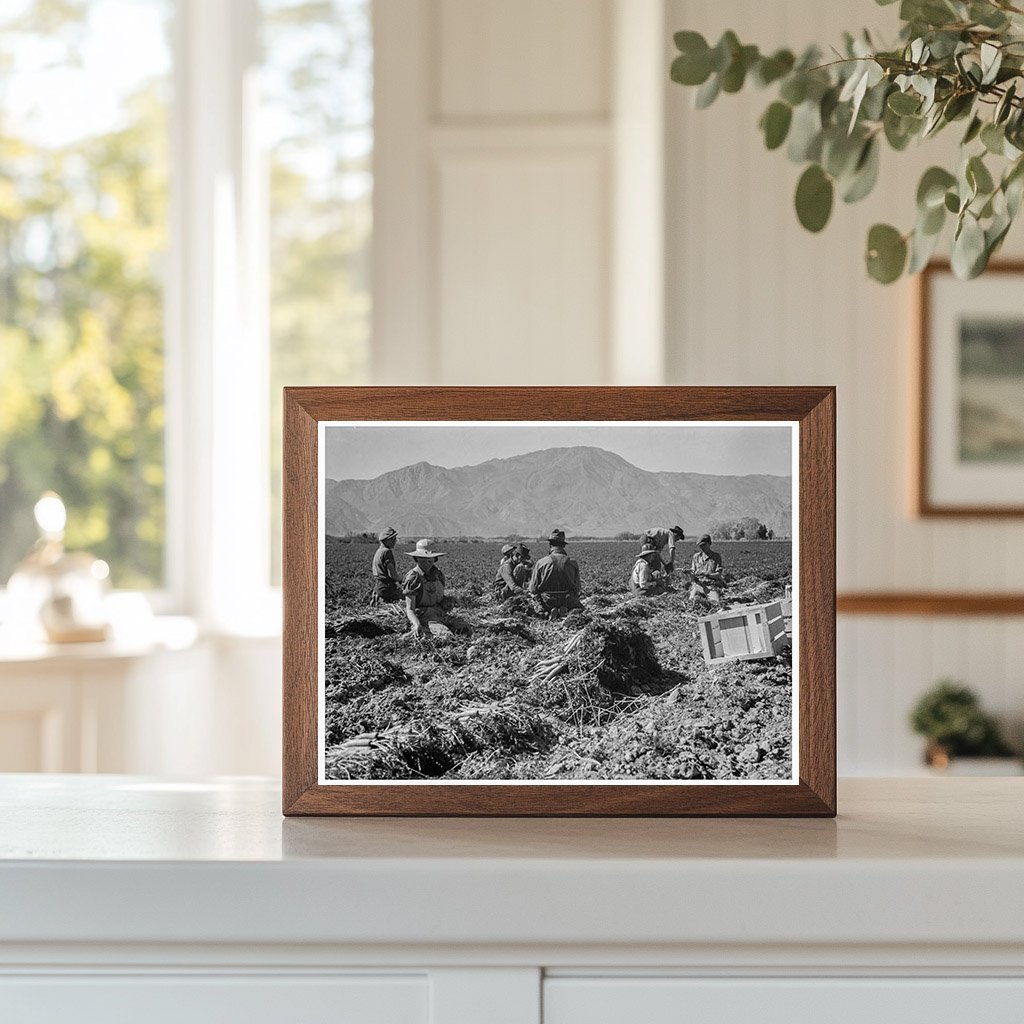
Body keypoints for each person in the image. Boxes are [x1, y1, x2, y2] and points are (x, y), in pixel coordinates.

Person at [528, 528, 582, 619]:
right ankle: (565, 610)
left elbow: (533, 588)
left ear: (550, 545)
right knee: (580, 610)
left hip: (547, 601)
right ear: (563, 546)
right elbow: (578, 588)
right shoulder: (573, 563)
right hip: (567, 600)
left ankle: (547, 613)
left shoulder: (541, 563)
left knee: (533, 605)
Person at [402, 539, 449, 637]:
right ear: (416, 559)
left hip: (439, 613)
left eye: (429, 560)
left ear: (435, 559)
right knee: (446, 636)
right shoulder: (413, 578)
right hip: (424, 617)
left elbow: (440, 597)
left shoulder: (438, 575)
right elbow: (410, 609)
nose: (427, 563)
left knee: (465, 629)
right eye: (423, 560)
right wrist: (416, 624)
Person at [689, 533, 725, 604]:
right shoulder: (696, 557)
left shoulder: (716, 557)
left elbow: (718, 574)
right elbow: (693, 572)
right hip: (698, 585)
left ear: (710, 543)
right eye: (700, 546)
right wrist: (688, 572)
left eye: (704, 545)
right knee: (692, 602)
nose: (702, 547)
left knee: (716, 603)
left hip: (710, 585)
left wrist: (707, 574)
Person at [370, 527, 402, 604]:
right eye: (393, 539)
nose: (395, 541)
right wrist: (402, 580)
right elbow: (392, 574)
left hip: (379, 586)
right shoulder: (387, 552)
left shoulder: (379, 551)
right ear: (387, 540)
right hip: (387, 587)